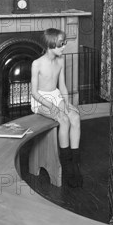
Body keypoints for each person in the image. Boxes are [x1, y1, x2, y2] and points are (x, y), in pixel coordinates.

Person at [31, 28, 82, 187]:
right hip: (41, 100)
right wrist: (52, 106)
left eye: (64, 43)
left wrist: (67, 103)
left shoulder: (60, 61)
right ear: (51, 45)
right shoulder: (37, 64)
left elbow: (63, 86)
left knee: (74, 116)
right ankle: (66, 165)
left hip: (56, 95)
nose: (64, 47)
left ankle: (75, 163)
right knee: (63, 119)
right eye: (61, 44)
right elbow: (34, 93)